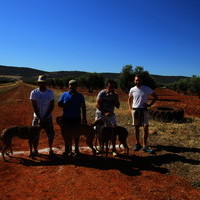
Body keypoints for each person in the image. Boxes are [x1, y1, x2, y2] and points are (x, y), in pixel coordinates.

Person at [128, 74, 158, 153]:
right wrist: (130, 109)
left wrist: (149, 105)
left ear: (142, 81)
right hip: (135, 110)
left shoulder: (146, 88)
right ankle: (137, 144)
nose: (137, 81)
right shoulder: (132, 89)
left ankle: (145, 146)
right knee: (136, 128)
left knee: (145, 127)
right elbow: (129, 99)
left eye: (139, 80)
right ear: (134, 81)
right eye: (136, 80)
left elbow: (155, 96)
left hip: (144, 110)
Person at [58, 79, 87, 156]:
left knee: (77, 134)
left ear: (76, 86)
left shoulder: (80, 96)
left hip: (76, 118)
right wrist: (64, 105)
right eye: (70, 85)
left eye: (74, 85)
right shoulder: (64, 95)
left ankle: (76, 149)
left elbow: (83, 107)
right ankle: (67, 149)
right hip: (66, 118)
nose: (72, 87)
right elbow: (59, 104)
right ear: (68, 86)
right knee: (66, 134)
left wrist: (84, 118)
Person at [30, 75, 55, 156]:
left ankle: (50, 149)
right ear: (38, 83)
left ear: (46, 83)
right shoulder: (34, 92)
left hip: (48, 117)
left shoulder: (50, 93)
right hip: (37, 117)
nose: (42, 84)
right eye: (41, 83)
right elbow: (34, 106)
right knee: (34, 135)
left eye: (44, 83)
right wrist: (40, 117)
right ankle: (35, 150)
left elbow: (51, 106)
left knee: (50, 134)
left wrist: (44, 117)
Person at [95, 80, 120, 150]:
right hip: (100, 113)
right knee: (99, 130)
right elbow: (97, 104)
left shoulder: (115, 94)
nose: (111, 88)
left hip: (110, 114)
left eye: (113, 87)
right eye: (110, 87)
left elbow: (118, 106)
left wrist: (114, 98)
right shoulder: (102, 93)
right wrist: (104, 112)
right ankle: (101, 146)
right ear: (106, 87)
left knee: (113, 130)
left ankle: (114, 148)